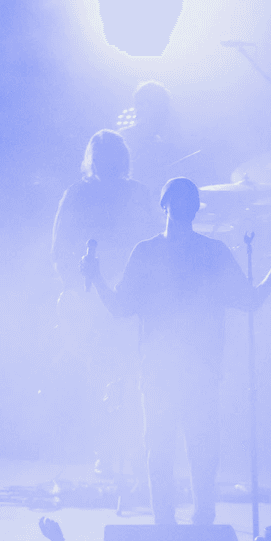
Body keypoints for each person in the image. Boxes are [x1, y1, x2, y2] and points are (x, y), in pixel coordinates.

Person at [82, 175, 271, 525]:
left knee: (162, 455)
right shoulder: (212, 252)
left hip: (163, 372)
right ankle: (202, 528)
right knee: (201, 454)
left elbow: (119, 307)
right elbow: (251, 301)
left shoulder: (149, 252)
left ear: (163, 206)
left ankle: (167, 528)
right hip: (197, 371)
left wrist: (97, 275)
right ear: (194, 210)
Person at [52, 129, 159, 480]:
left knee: (117, 375)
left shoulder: (129, 195)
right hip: (102, 296)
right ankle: (110, 451)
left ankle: (120, 450)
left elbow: (154, 243)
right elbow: (61, 246)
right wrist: (75, 288)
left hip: (124, 296)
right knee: (110, 375)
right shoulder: (85, 195)